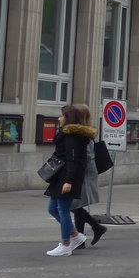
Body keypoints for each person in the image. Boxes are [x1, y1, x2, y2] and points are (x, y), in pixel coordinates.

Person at [42, 104, 95, 257]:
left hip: (67, 177)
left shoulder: (73, 136)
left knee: (62, 210)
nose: (59, 118)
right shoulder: (66, 134)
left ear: (68, 118)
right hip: (60, 176)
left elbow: (73, 160)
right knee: (52, 209)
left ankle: (66, 244)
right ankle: (76, 236)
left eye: (61, 116)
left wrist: (69, 181)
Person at [70, 104, 108, 246]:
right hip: (84, 171)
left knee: (75, 204)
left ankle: (84, 235)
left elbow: (84, 156)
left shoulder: (84, 132)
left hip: (84, 172)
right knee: (76, 204)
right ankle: (93, 229)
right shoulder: (82, 131)